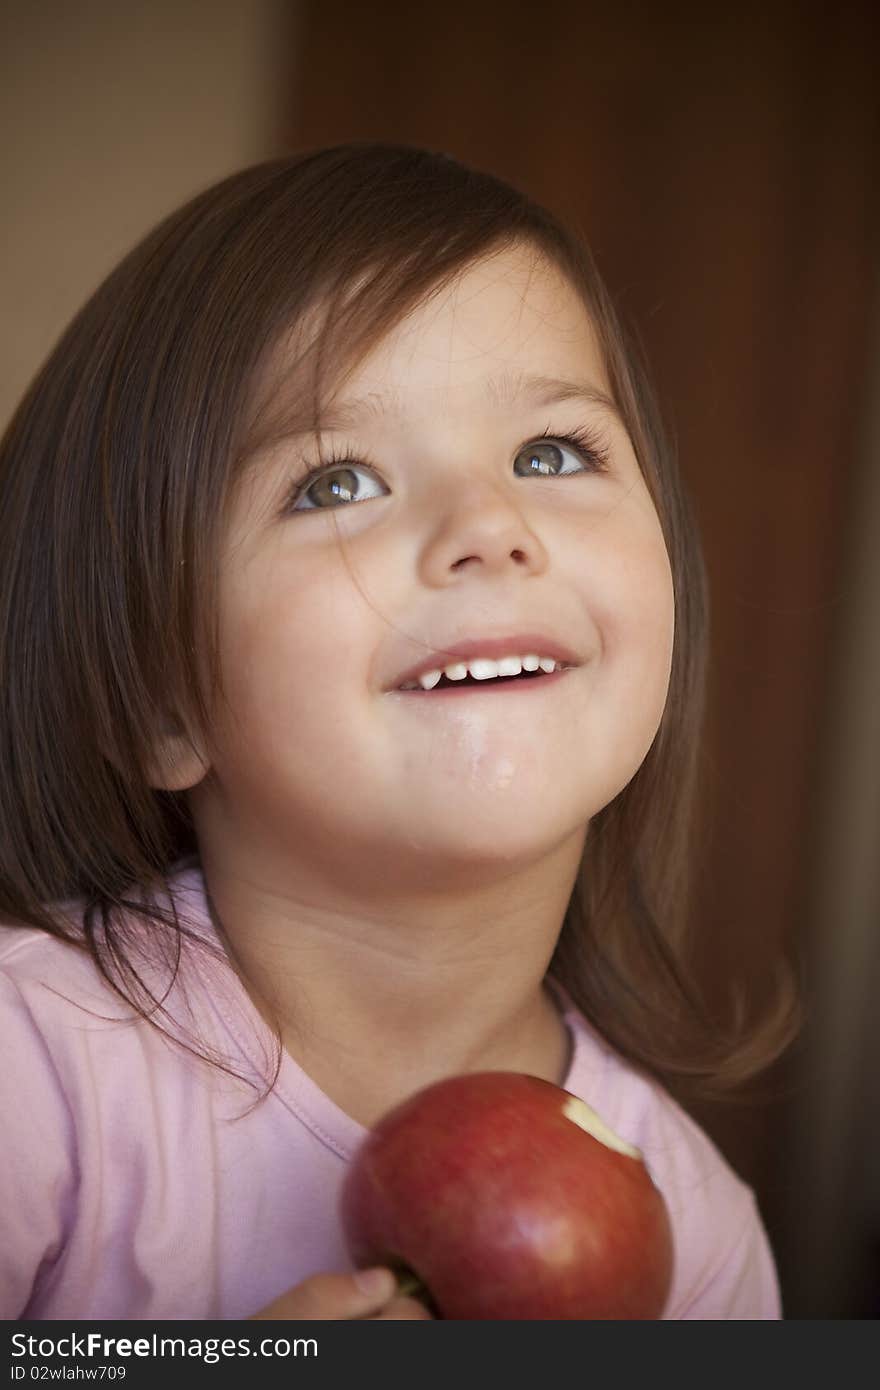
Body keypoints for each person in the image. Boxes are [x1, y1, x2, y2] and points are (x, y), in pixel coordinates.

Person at [0, 143, 797, 1321]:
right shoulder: (32, 1070)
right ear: (159, 700)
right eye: (336, 482)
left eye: (549, 453)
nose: (491, 523)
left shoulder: (697, 1235)